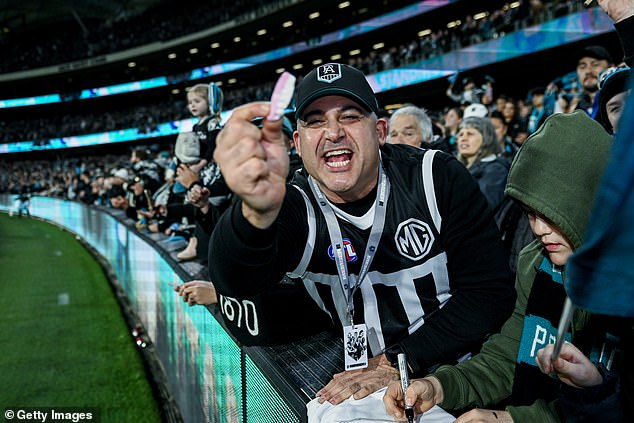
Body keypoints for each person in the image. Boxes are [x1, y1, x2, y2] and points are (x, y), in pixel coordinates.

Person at [209, 63, 515, 404]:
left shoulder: (434, 176)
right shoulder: (295, 204)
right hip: (366, 378)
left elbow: (489, 291)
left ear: (380, 131)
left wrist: (399, 360)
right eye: (315, 121)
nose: (334, 132)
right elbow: (235, 279)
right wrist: (252, 211)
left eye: (350, 116)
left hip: (464, 368)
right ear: (297, 143)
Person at [384, 110, 616, 423]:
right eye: (530, 214)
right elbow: (507, 356)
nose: (539, 229)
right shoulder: (537, 262)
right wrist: (438, 386)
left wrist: (512, 420)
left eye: (552, 214)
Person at [456, 116, 509, 212]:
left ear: (486, 138)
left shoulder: (496, 170)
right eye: (460, 134)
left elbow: (480, 208)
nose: (463, 138)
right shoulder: (458, 168)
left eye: (470, 134)